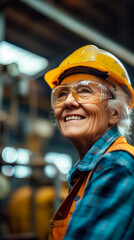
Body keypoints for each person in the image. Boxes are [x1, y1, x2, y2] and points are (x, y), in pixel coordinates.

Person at [44, 45, 134, 240]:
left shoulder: (117, 163)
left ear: (115, 112)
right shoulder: (89, 170)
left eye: (84, 91)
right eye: (61, 94)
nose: (68, 102)